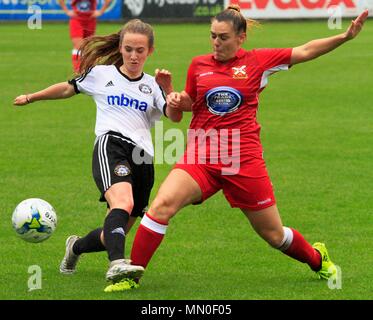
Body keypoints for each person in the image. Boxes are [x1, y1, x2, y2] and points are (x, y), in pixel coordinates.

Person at [125, 7, 369, 285]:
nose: (216, 43)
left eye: (223, 37)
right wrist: (174, 97)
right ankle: (131, 276)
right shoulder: (198, 64)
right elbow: (193, 105)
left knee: (274, 235)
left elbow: (305, 50)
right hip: (202, 155)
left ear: (241, 38)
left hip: (243, 159)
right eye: (212, 36)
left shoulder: (258, 62)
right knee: (161, 207)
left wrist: (345, 36)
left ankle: (317, 259)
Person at [13, 19, 182, 290]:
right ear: (120, 47)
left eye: (140, 50)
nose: (133, 55)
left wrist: (170, 90)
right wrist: (32, 97)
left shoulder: (153, 85)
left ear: (150, 51)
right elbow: (69, 87)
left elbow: (174, 116)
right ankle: (117, 265)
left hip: (143, 158)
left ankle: (76, 246)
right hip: (111, 145)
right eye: (128, 49)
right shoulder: (101, 74)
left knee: (114, 232)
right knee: (122, 202)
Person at [58, 0, 112, 73]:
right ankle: (78, 71)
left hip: (90, 20)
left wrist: (101, 11)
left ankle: (87, 70)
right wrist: (66, 11)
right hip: (77, 20)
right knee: (78, 45)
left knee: (87, 47)